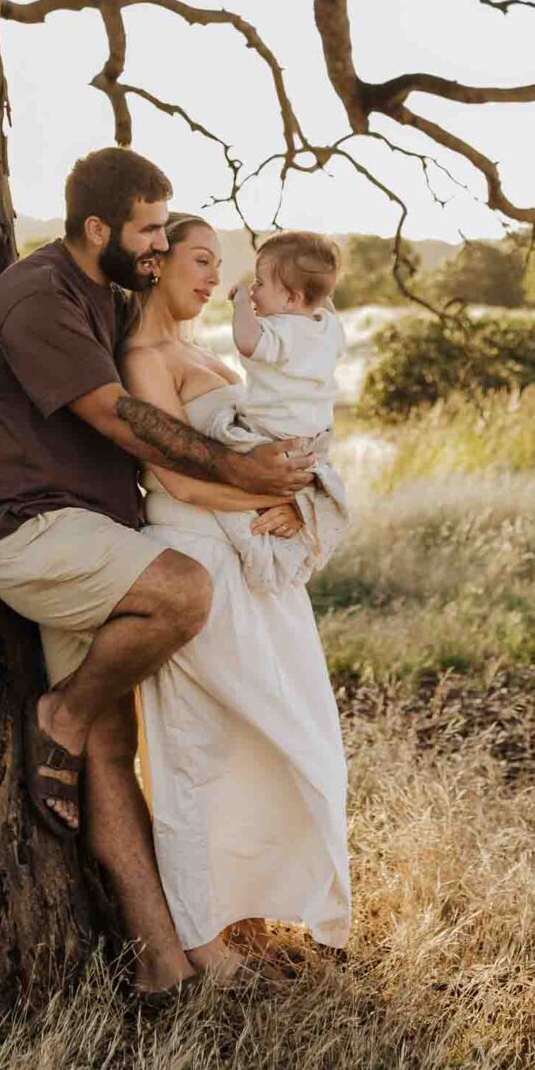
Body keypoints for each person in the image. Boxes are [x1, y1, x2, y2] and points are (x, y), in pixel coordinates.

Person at [0, 147, 313, 998]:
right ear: (96, 229)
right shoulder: (38, 297)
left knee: (114, 756)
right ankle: (62, 712)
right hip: (31, 531)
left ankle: (162, 962)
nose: (158, 244)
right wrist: (242, 475)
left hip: (91, 539)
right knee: (183, 592)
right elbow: (120, 419)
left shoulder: (102, 293)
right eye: (150, 230)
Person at [122, 215, 352, 978]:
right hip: (199, 554)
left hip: (252, 560)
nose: (215, 278)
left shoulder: (202, 352)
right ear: (154, 266)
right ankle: (199, 937)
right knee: (195, 746)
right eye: (198, 260)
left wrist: (300, 504)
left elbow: (280, 434)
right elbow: (176, 477)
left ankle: (249, 901)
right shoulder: (144, 355)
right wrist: (257, 499)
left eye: (222, 262)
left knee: (281, 736)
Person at [209, 231, 351, 592]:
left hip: (270, 433)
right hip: (314, 441)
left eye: (259, 283)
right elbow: (324, 306)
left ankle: (255, 565)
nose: (253, 289)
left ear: (291, 298)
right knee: (291, 499)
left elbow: (248, 341)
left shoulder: (280, 331)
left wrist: (240, 303)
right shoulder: (329, 328)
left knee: (220, 442)